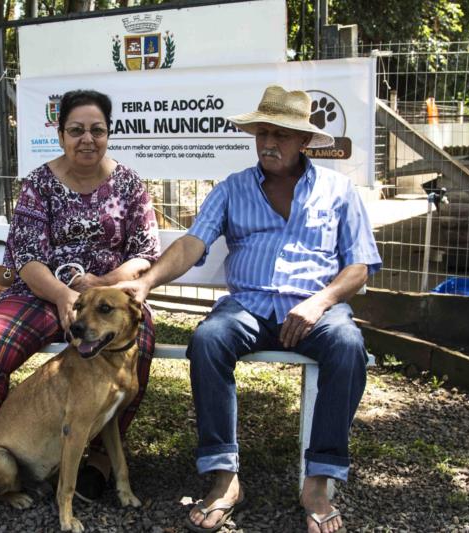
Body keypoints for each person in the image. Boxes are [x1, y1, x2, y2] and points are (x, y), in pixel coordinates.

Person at [118, 85, 381, 533]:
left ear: (303, 141)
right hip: (249, 305)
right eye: (261, 133)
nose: (268, 143)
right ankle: (224, 478)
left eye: (280, 134)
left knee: (348, 344)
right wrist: (145, 281)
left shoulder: (339, 191)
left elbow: (359, 267)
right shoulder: (233, 188)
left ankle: (319, 479)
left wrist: (320, 302)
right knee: (208, 339)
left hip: (315, 308)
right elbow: (191, 244)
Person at [0, 89, 160, 522]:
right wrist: (65, 296)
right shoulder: (39, 184)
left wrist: (103, 283)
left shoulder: (129, 184)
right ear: (61, 133)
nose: (88, 139)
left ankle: (98, 462)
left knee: (144, 342)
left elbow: (144, 253)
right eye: (77, 130)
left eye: (97, 130)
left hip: (106, 299)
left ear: (108, 133)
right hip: (42, 295)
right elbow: (26, 258)